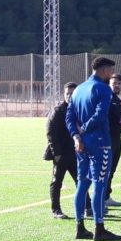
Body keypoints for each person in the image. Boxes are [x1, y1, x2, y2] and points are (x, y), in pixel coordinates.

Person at [65, 57, 121, 241]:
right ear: (105, 70)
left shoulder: (79, 89)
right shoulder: (103, 88)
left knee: (82, 184)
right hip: (99, 142)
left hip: (81, 144)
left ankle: (80, 228)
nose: (111, 75)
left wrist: (76, 136)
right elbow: (100, 114)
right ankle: (99, 229)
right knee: (100, 184)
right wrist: (84, 129)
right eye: (111, 71)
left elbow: (69, 116)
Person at [45, 82, 78, 219]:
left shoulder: (79, 109)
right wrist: (56, 153)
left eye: (72, 94)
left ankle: (87, 207)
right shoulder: (58, 110)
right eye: (67, 94)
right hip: (61, 154)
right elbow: (50, 132)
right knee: (57, 181)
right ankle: (56, 210)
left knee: (81, 180)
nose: (69, 96)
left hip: (75, 152)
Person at [104, 73, 121, 209]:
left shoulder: (117, 100)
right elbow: (103, 120)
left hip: (116, 138)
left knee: (112, 169)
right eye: (114, 83)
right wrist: (120, 122)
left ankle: (106, 196)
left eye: (119, 83)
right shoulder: (106, 98)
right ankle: (100, 198)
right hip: (107, 139)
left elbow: (118, 118)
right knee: (105, 170)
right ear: (109, 84)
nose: (117, 86)